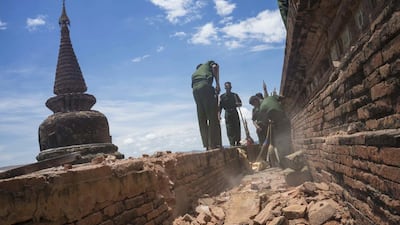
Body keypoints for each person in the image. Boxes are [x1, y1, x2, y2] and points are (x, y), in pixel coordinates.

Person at [191, 60, 222, 150]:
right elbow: (215, 67)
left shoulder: (195, 73)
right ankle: (214, 144)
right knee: (212, 116)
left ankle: (207, 145)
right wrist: (217, 84)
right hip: (204, 86)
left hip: (195, 90)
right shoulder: (208, 64)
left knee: (202, 117)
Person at [219, 82, 242, 146]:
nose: (228, 88)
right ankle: (231, 143)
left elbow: (240, 103)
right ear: (225, 88)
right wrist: (219, 115)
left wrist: (238, 104)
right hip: (227, 113)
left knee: (237, 126)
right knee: (229, 128)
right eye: (226, 87)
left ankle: (238, 141)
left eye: (229, 87)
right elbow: (220, 107)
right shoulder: (222, 97)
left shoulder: (235, 95)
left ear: (231, 87)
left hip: (234, 111)